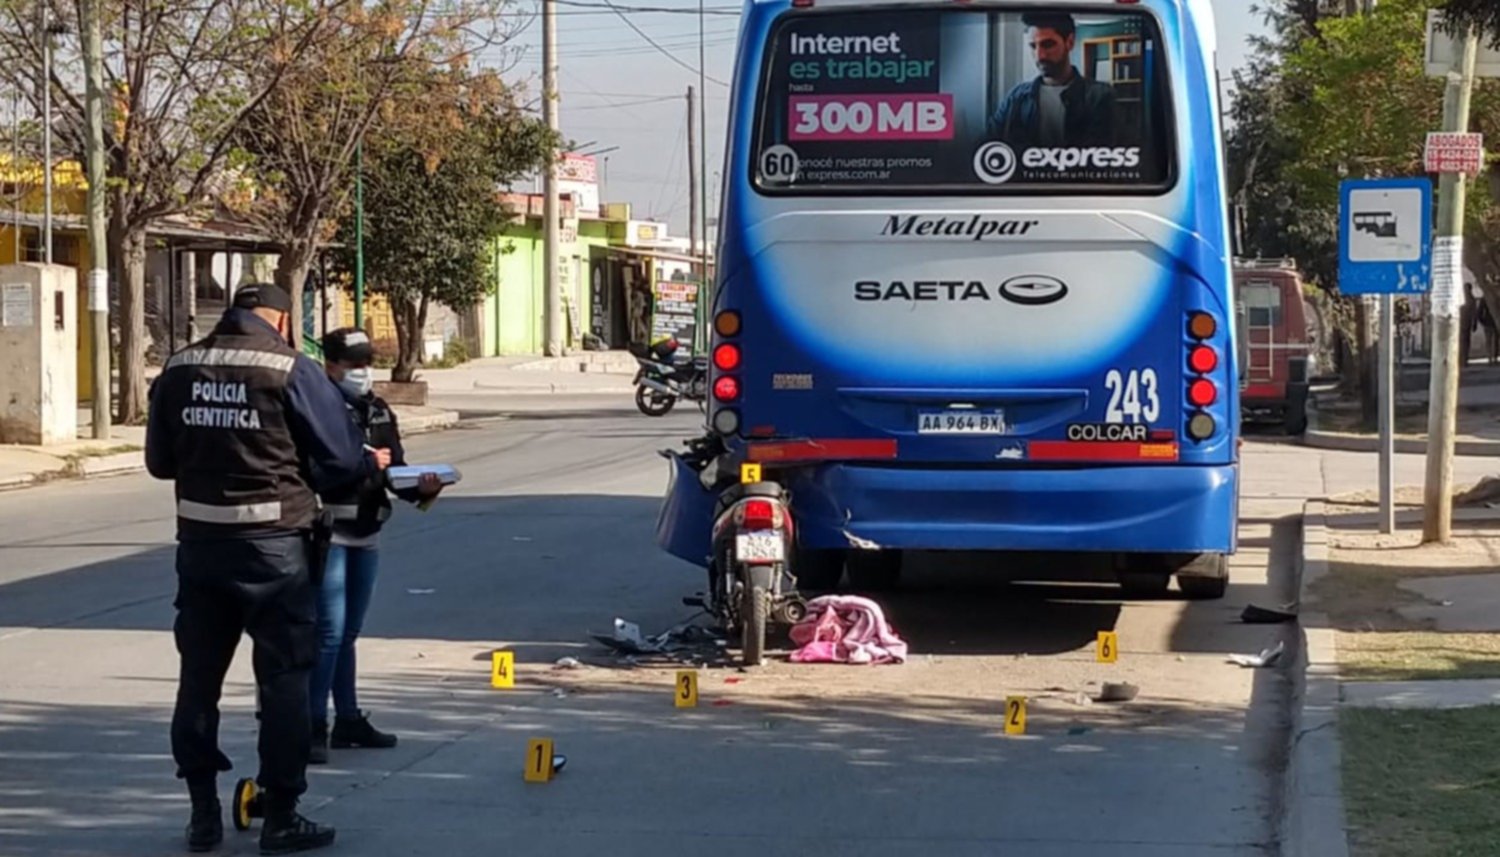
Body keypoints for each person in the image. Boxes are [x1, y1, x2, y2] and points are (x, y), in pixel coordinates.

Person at [146, 283, 390, 855]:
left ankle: (202, 815)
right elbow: (336, 462)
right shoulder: (289, 369)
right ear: (281, 320)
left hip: (202, 548)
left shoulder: (179, 366)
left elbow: (160, 463)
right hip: (277, 549)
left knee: (198, 683)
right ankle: (280, 816)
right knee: (283, 681)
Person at [308, 328, 443, 764]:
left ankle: (348, 719)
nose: (362, 372)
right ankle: (312, 726)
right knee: (327, 635)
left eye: (367, 362)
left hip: (366, 532)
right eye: (353, 364)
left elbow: (394, 471)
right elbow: (313, 471)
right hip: (326, 530)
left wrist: (424, 489)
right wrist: (365, 462)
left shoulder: (379, 410)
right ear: (330, 366)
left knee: (347, 634)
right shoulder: (315, 408)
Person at [988, 12, 1117, 150]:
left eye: (1048, 44)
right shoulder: (1015, 99)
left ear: (1070, 42)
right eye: (1033, 46)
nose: (1039, 55)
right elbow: (988, 144)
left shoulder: (1100, 97)